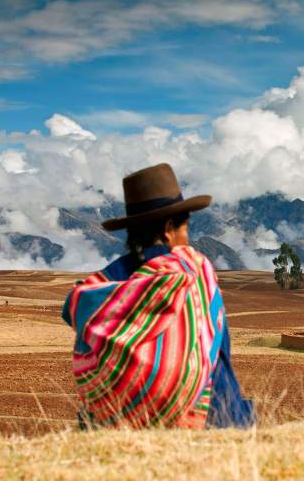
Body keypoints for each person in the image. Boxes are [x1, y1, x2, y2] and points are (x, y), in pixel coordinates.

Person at [62, 163, 254, 429]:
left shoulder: (105, 284)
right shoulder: (194, 272)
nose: (187, 239)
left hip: (114, 423)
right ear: (168, 229)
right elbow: (219, 358)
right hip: (211, 420)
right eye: (185, 229)